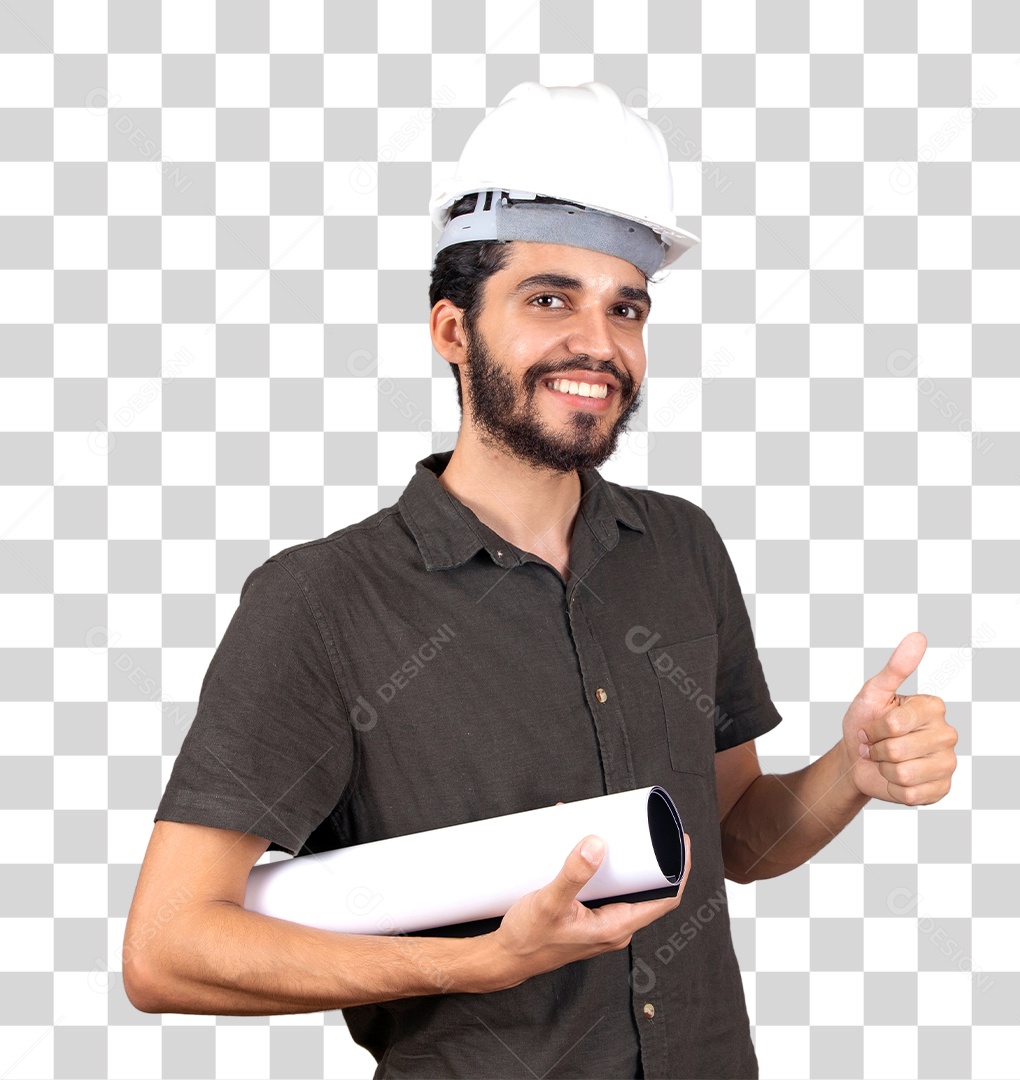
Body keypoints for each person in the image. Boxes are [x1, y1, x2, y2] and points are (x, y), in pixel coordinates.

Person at [124, 82, 958, 1078]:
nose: (598, 345)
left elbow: (734, 837)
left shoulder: (680, 549)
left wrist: (850, 775)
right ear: (450, 330)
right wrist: (483, 963)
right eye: (549, 297)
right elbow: (168, 949)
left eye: (626, 308)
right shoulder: (322, 602)